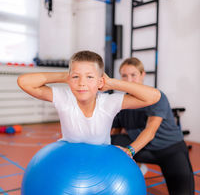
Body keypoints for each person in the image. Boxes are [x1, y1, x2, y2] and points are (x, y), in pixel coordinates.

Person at [17, 51, 160, 150]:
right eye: (76, 77)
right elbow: (24, 82)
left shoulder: (108, 102)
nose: (81, 83)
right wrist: (65, 76)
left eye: (89, 77)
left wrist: (111, 83)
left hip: (98, 160)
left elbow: (154, 96)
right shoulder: (64, 98)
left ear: (100, 82)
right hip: (69, 158)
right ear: (69, 79)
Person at [111, 57, 195, 195]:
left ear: (142, 75)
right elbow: (114, 133)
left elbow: (150, 131)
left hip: (170, 150)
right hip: (144, 150)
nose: (129, 79)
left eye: (133, 75)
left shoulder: (156, 96)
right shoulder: (121, 102)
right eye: (124, 76)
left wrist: (129, 151)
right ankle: (137, 166)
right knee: (111, 141)